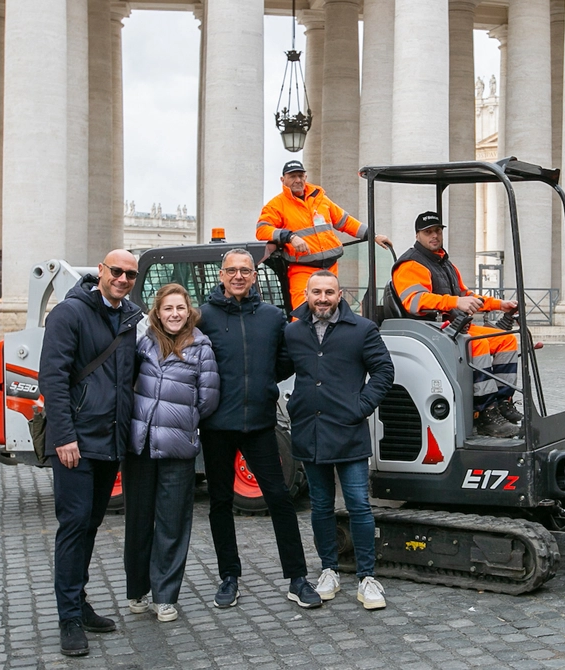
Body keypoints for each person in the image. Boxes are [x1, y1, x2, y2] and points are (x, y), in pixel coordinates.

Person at [197, 248, 322, 609]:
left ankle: (297, 579)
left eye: (245, 271)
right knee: (220, 502)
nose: (238, 276)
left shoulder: (271, 317)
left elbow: (282, 363)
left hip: (261, 424)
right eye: (231, 270)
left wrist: (262, 383)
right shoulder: (203, 317)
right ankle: (229, 577)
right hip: (217, 425)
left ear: (254, 276)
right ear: (221, 276)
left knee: (280, 500)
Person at [38, 249, 142, 657]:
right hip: (75, 442)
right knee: (74, 525)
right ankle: (68, 618)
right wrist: (63, 436)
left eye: (130, 274)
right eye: (116, 271)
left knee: (91, 524)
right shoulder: (69, 314)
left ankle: (78, 602)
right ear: (100, 271)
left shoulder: (130, 317)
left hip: (110, 440)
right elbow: (54, 376)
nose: (122, 278)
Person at [280, 271, 395, 610]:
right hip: (310, 431)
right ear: (307, 294)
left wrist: (359, 406)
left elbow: (384, 371)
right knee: (320, 505)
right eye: (316, 292)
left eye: (329, 292)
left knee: (359, 504)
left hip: (347, 430)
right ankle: (328, 569)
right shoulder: (293, 331)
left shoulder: (362, 329)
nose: (323, 298)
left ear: (340, 293)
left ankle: (367, 577)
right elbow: (281, 368)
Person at [125, 284, 220, 623]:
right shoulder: (144, 344)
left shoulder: (201, 347)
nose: (175, 314)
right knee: (138, 521)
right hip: (140, 446)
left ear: (189, 311)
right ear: (158, 312)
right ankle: (137, 590)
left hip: (178, 449)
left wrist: (182, 419)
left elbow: (208, 399)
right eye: (168, 308)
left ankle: (165, 596)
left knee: (172, 523)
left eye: (180, 308)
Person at [391, 211, 522, 438]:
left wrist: (500, 305)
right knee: (477, 343)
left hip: (452, 327)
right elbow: (414, 302)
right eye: (428, 232)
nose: (434, 236)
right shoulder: (410, 265)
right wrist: (456, 302)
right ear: (418, 235)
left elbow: (465, 295)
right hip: (428, 327)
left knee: (506, 340)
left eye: (438, 231)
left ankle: (503, 402)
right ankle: (485, 413)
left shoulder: (444, 263)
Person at [256, 159, 392, 309]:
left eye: (301, 176)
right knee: (302, 314)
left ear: (305, 177)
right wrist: (290, 237)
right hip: (302, 269)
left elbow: (346, 222)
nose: (298, 180)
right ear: (283, 180)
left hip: (330, 267)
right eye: (293, 176)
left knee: (332, 311)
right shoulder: (276, 205)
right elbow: (262, 230)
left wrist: (373, 235)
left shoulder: (320, 199)